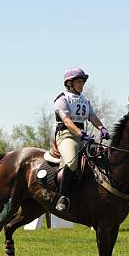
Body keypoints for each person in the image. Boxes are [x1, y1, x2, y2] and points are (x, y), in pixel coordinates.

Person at [53, 67, 109, 211]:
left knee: (101, 157)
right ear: (70, 83)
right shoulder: (62, 98)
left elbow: (92, 117)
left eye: (82, 82)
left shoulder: (85, 100)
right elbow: (66, 121)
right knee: (72, 162)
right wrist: (80, 133)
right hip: (66, 135)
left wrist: (102, 128)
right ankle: (63, 196)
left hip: (83, 135)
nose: (81, 84)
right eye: (79, 81)